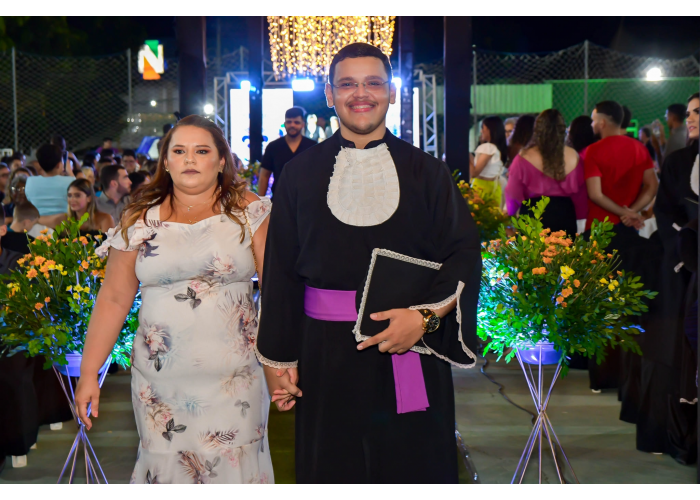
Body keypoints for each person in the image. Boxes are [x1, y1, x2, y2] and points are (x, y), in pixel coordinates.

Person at [255, 42, 480, 484]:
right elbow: (280, 270)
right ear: (329, 93)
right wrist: (277, 358)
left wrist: (425, 317)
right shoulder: (298, 174)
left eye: (373, 82)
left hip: (410, 347)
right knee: (333, 470)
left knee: (412, 471)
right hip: (324, 355)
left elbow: (464, 253)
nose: (361, 94)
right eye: (347, 84)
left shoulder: (429, 172)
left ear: (392, 92)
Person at [75, 115, 274, 484]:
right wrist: (89, 373)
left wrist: (280, 365)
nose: (190, 159)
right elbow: (114, 298)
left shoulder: (249, 210)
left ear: (221, 160)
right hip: (160, 387)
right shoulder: (139, 218)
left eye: (202, 151)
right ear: (165, 161)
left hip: (236, 381)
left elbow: (276, 290)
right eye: (179, 151)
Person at [585, 100, 659, 396]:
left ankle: (601, 377)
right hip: (630, 234)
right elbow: (652, 186)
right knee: (627, 302)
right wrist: (633, 212)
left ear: (603, 122)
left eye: (594, 120)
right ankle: (628, 375)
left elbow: (595, 194)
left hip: (601, 233)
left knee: (599, 304)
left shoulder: (593, 151)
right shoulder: (639, 149)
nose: (592, 124)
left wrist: (621, 212)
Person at [640, 92, 699, 462]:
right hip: (684, 269)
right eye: (689, 112)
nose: (690, 118)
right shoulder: (678, 161)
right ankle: (681, 437)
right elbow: (665, 212)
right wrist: (684, 255)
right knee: (679, 350)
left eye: (698, 112)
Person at [505, 109, 587, 236]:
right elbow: (580, 196)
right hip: (565, 216)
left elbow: (513, 193)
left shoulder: (523, 157)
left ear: (537, 130)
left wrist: (511, 213)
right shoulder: (574, 156)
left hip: (533, 216)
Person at [258, 107, 317, 198]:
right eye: (289, 122)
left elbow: (319, 175)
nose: (292, 125)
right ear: (284, 124)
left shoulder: (312, 146)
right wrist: (260, 201)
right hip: (279, 200)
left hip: (307, 200)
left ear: (303, 124)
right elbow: (264, 176)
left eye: (296, 122)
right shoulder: (273, 147)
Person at [25, 144, 75, 225]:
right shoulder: (70, 182)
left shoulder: (30, 182)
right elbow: (81, 190)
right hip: (63, 226)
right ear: (58, 165)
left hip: (37, 226)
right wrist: (70, 172)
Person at [471, 116, 508, 206]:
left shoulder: (488, 147)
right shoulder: (498, 148)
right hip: (494, 187)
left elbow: (474, 172)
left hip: (481, 188)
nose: (481, 131)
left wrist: (465, 154)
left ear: (490, 130)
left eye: (483, 128)